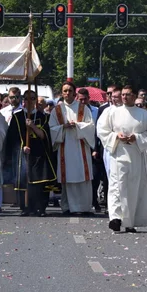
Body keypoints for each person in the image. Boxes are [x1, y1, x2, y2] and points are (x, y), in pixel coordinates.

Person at [97, 84, 147, 233]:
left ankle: (130, 221)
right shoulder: (112, 113)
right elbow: (102, 130)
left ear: (135, 96)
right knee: (117, 186)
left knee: (133, 188)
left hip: (136, 154)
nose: (124, 97)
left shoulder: (144, 115)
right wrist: (116, 136)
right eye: (122, 94)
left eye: (128, 94)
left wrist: (136, 138)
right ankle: (115, 218)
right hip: (118, 152)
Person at [4, 90, 56, 216]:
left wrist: (33, 126)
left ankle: (40, 207)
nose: (29, 101)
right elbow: (12, 138)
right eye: (26, 99)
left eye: (32, 98)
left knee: (39, 181)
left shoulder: (42, 116)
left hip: (39, 153)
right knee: (24, 181)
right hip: (24, 154)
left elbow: (44, 135)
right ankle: (26, 206)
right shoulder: (17, 117)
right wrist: (21, 147)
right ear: (23, 100)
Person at [49, 82, 96, 215]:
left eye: (70, 90)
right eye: (65, 91)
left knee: (83, 177)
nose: (67, 93)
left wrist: (77, 125)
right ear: (62, 93)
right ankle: (68, 207)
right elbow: (51, 129)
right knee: (68, 178)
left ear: (75, 93)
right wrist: (63, 127)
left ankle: (85, 207)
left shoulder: (83, 108)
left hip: (81, 148)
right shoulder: (56, 110)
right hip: (65, 148)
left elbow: (91, 126)